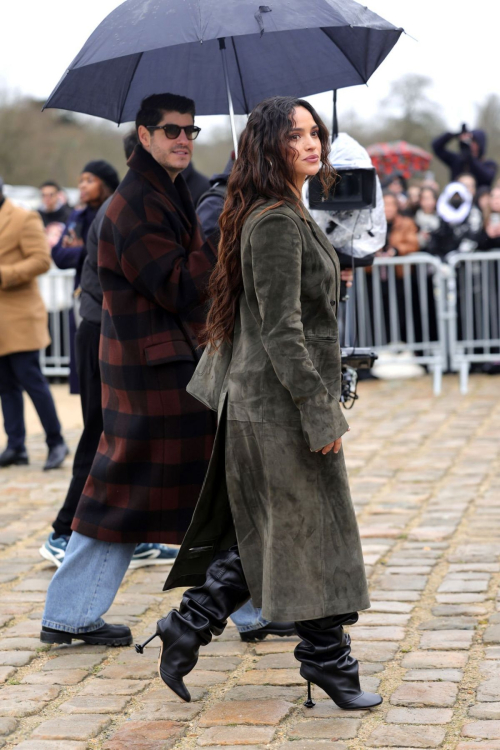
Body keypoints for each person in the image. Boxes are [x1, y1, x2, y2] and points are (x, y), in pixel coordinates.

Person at [135, 96, 382, 711]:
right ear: (269, 146)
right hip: (275, 406)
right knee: (304, 528)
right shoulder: (272, 219)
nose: (312, 141)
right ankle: (327, 661)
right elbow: (281, 331)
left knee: (282, 529)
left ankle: (189, 626)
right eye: (295, 134)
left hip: (276, 400)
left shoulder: (287, 211)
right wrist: (318, 410)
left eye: (314, 131)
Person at [40, 93, 283, 648]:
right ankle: (73, 613)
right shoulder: (133, 205)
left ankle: (247, 611)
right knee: (154, 491)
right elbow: (177, 283)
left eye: (190, 131)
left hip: (162, 367)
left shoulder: (164, 194)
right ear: (144, 136)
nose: (182, 140)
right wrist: (228, 227)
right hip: (152, 374)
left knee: (196, 487)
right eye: (170, 130)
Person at [40, 131, 180, 570]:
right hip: (103, 333)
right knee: (103, 437)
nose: (183, 145)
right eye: (172, 137)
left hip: (109, 331)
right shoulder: (124, 208)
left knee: (124, 439)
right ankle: (64, 531)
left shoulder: (137, 203)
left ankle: (133, 535)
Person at [0, 176, 69, 471]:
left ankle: (56, 442)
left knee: (32, 380)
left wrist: (3, 273)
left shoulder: (23, 217)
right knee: (4, 385)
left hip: (20, 316)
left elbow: (41, 260)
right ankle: (16, 445)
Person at [52, 161, 120, 394]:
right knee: (87, 373)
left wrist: (84, 248)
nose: (82, 186)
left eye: (90, 180)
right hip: (84, 299)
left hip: (109, 298)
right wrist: (87, 250)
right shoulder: (77, 216)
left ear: (107, 185)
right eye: (81, 180)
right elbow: (59, 255)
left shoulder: (114, 212)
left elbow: (107, 253)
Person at [432, 128, 498, 188]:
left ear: (480, 144)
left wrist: (469, 157)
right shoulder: (457, 161)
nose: (471, 145)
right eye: (470, 141)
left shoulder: (489, 164)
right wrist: (452, 135)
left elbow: (487, 177)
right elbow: (437, 148)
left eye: (474, 142)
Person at [38, 181, 72, 249]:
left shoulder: (68, 214)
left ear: (57, 195)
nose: (47, 198)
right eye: (44, 195)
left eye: (51, 195)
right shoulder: (36, 216)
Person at [414, 187, 440, 251]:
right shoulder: (413, 220)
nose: (428, 202)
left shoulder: (442, 220)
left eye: (431, 198)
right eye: (425, 199)